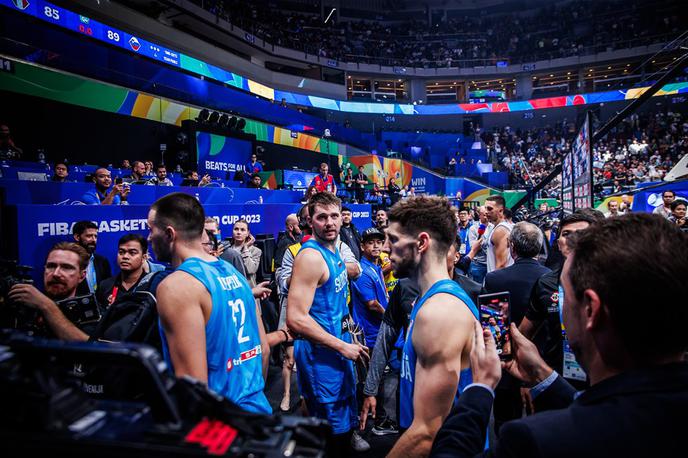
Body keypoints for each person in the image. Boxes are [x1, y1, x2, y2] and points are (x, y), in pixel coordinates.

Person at [430, 213, 688, 458]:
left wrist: (480, 388)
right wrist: (546, 376)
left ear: (590, 310)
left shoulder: (535, 441)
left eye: (565, 293)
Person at [149, 192, 271, 414]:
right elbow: (263, 351)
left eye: (151, 229)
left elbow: (194, 390)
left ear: (169, 234)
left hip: (220, 429)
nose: (148, 238)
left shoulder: (176, 286)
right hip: (257, 414)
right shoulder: (234, 274)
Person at [383, 196, 479, 458]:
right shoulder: (429, 301)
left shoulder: (439, 312)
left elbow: (428, 431)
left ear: (422, 243)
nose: (385, 248)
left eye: (392, 239)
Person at [287, 192, 368, 457]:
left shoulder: (334, 252)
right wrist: (341, 347)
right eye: (322, 217)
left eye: (334, 216)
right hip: (321, 358)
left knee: (342, 430)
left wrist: (349, 337)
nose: (330, 222)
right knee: (332, 438)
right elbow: (296, 319)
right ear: (310, 221)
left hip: (336, 351)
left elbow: (334, 306)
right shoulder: (310, 257)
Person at [483, 222, 551, 433]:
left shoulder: (494, 279)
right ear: (539, 248)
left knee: (505, 426)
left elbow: (490, 324)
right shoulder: (551, 278)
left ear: (512, 246)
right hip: (544, 364)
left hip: (506, 364)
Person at [520, 209, 604, 379]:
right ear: (558, 243)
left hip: (603, 378)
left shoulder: (610, 279)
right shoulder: (546, 283)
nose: (573, 239)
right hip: (556, 376)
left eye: (581, 233)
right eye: (566, 234)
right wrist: (529, 376)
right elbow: (525, 333)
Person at [7, 242, 98, 340]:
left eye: (66, 267)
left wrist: (47, 306)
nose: (56, 273)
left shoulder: (93, 313)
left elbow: (90, 348)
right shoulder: (25, 305)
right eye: (51, 266)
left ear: (82, 276)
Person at [351, 227, 388, 350]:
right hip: (371, 334)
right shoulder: (362, 271)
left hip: (379, 330)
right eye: (371, 243)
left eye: (378, 242)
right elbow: (372, 304)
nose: (376, 246)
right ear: (362, 247)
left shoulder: (375, 267)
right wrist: (391, 319)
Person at [97, 234, 147, 307]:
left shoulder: (152, 285)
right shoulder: (105, 286)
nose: (125, 256)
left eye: (132, 253)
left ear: (143, 258)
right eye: (121, 252)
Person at [72, 221, 112, 296]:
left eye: (95, 236)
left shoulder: (102, 261)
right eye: (89, 236)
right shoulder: (68, 261)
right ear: (77, 237)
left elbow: (108, 287)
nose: (93, 240)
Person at [485, 195, 513, 273]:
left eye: (490, 209)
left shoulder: (501, 230)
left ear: (501, 211)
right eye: (485, 208)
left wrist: (494, 284)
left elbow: (501, 265)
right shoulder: (497, 227)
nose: (486, 212)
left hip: (498, 281)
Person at [229, 220, 262, 288]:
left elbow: (251, 270)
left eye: (242, 230)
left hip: (248, 290)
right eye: (236, 229)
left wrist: (245, 248)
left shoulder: (256, 251)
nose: (239, 232)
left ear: (248, 233)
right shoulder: (227, 251)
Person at [467, 206, 490, 283]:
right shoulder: (473, 228)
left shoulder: (493, 227)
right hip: (478, 264)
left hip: (490, 263)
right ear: (479, 215)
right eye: (483, 214)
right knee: (477, 288)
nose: (485, 217)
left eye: (487, 214)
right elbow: (473, 247)